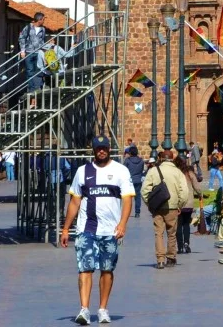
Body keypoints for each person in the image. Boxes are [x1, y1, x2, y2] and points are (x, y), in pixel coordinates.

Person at [60, 136, 135, 325]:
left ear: (109, 149)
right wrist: (66, 228)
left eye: (104, 148)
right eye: (97, 148)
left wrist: (123, 224)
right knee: (85, 268)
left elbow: (127, 199)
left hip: (111, 231)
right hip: (87, 229)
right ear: (93, 150)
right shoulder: (82, 171)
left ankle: (102, 309)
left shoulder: (120, 171)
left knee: (107, 270)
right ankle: (84, 309)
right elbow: (75, 201)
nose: (101, 151)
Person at [141, 149, 189, 269]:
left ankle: (160, 259)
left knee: (159, 234)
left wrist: (149, 204)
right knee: (171, 234)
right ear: (172, 159)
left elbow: (144, 191)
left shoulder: (153, 171)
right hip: (172, 207)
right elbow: (184, 192)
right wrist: (180, 205)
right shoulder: (178, 172)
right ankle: (171, 258)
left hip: (157, 207)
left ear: (161, 158)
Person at [19, 10, 49, 104]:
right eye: (43, 19)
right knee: (30, 71)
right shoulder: (28, 27)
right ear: (39, 19)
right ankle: (32, 89)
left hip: (38, 52)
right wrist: (22, 50)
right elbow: (21, 38)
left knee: (39, 70)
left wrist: (44, 52)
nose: (44, 21)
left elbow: (42, 41)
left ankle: (37, 89)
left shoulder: (43, 29)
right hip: (28, 52)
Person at [121, 147, 146, 219]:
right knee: (137, 197)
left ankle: (127, 212)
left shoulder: (127, 161)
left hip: (129, 181)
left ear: (130, 153)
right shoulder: (141, 161)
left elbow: (124, 170)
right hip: (138, 180)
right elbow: (141, 170)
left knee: (127, 197)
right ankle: (137, 212)